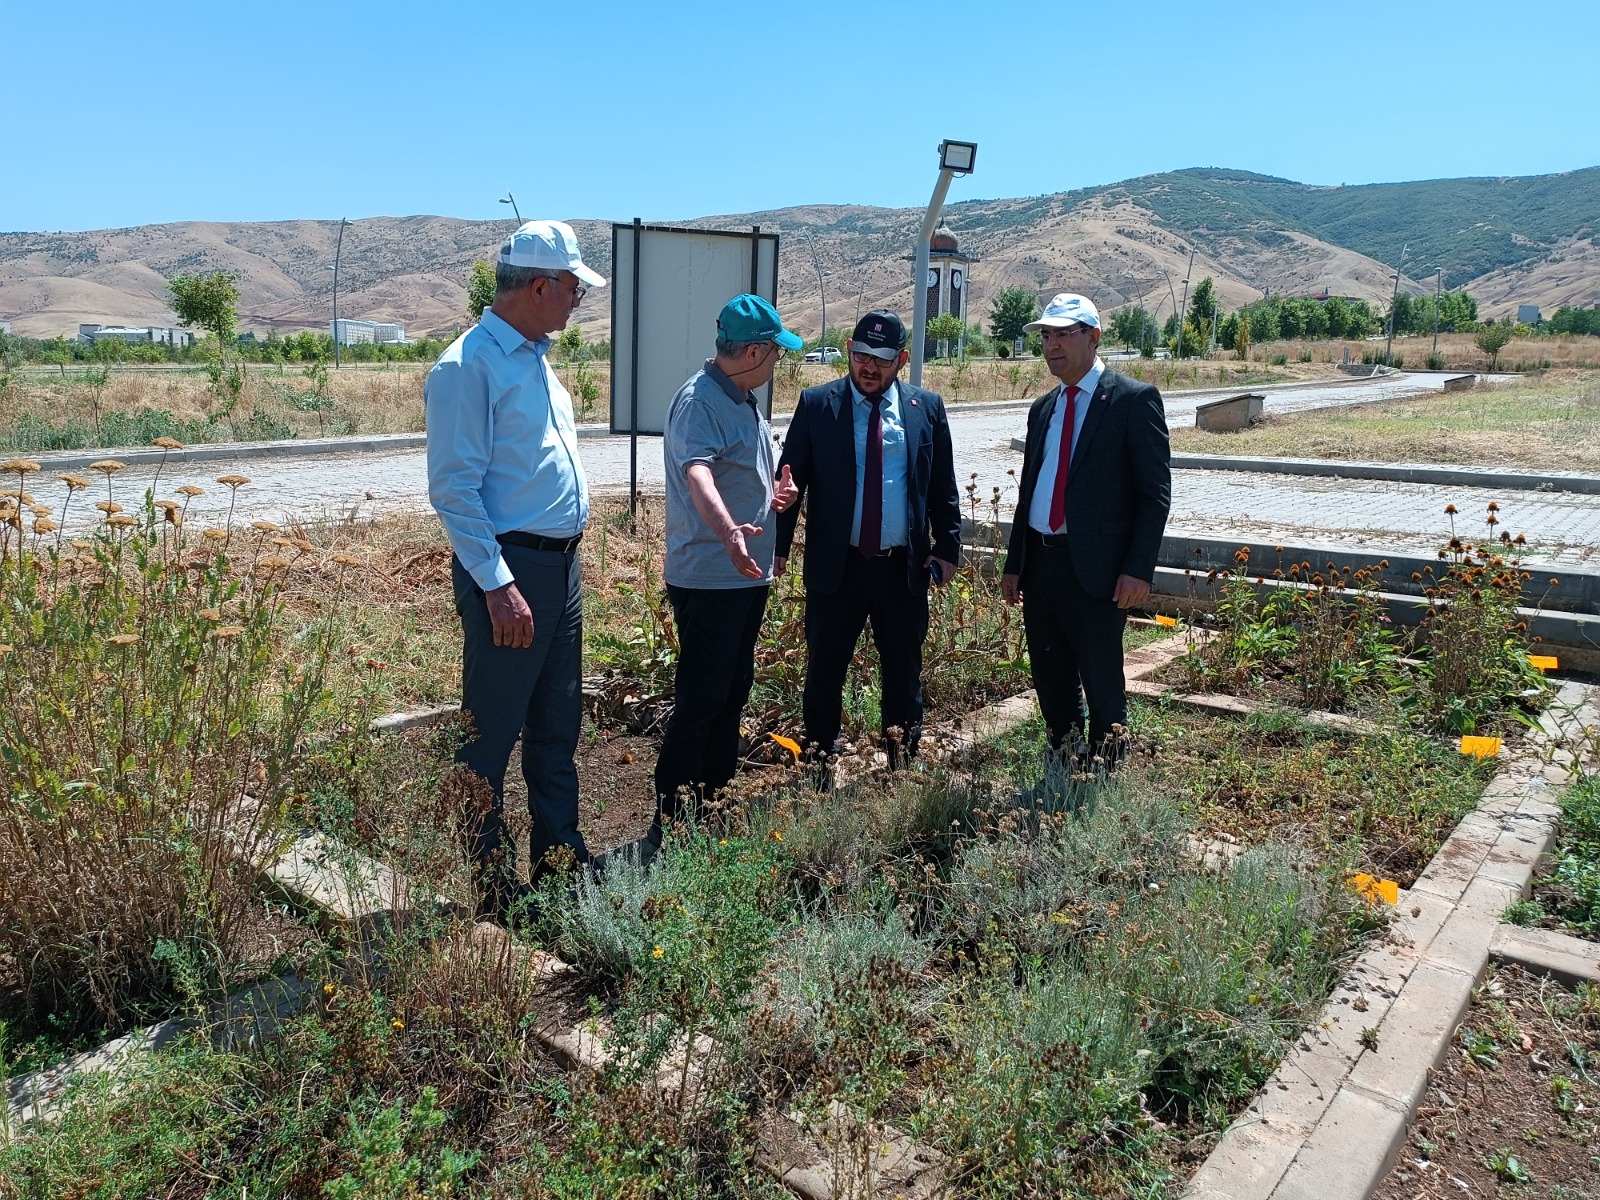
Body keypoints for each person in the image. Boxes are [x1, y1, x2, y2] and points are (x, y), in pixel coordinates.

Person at [424, 219, 605, 925]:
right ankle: (494, 890)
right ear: (539, 287)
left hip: (558, 569)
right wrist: (498, 584)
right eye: (573, 289)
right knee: (489, 738)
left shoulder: (534, 359)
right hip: (511, 570)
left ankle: (559, 865)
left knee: (557, 726)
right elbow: (454, 490)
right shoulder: (467, 366)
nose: (577, 302)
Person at [774, 310, 961, 768]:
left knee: (903, 671)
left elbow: (942, 486)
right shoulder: (818, 405)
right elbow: (790, 480)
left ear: (901, 360)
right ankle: (819, 766)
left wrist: (947, 549)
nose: (869, 367)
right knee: (824, 671)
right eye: (861, 355)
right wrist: (778, 548)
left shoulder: (926, 409)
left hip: (902, 568)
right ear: (849, 351)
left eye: (881, 359)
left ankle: (902, 766)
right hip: (838, 567)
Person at [650, 294, 802, 850]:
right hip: (710, 576)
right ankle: (673, 819)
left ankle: (713, 801)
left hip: (743, 576)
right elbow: (698, 474)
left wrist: (773, 495)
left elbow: (737, 472)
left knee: (732, 690)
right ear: (754, 352)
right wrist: (729, 530)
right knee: (702, 698)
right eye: (776, 353)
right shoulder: (700, 402)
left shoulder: (740, 397)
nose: (777, 363)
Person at [1000, 293, 1171, 762]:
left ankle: (1106, 769)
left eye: (1063, 334)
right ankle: (1063, 759)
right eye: (1046, 336)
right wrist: (1016, 564)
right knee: (1050, 674)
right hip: (1042, 565)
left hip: (1098, 571)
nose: (1051, 345)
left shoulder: (1132, 400)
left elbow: (1154, 495)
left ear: (1093, 337)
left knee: (1100, 677)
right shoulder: (1043, 409)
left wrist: (1138, 569)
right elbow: (1030, 491)